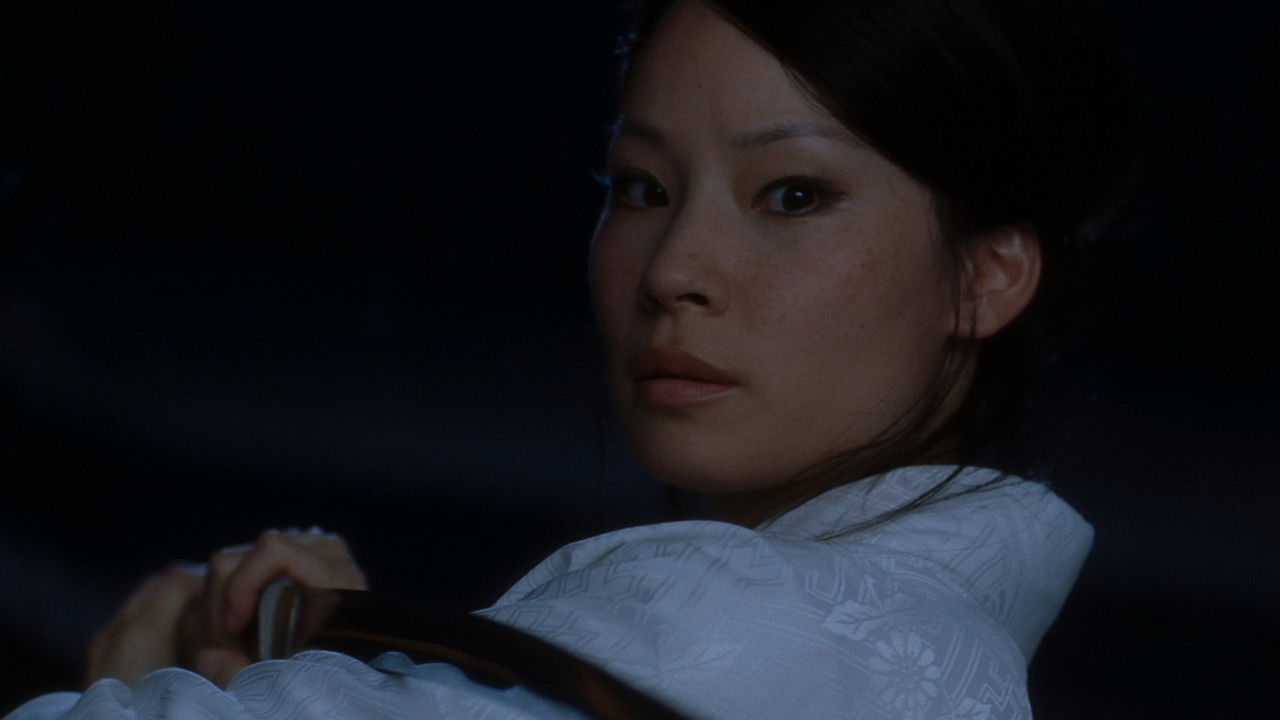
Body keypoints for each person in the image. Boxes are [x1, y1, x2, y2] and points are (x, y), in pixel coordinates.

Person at [5, 0, 1135, 717]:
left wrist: (128, 686)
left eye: (793, 195)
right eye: (641, 187)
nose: (672, 268)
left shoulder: (737, 616)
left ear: (987, 273)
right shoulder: (930, 661)